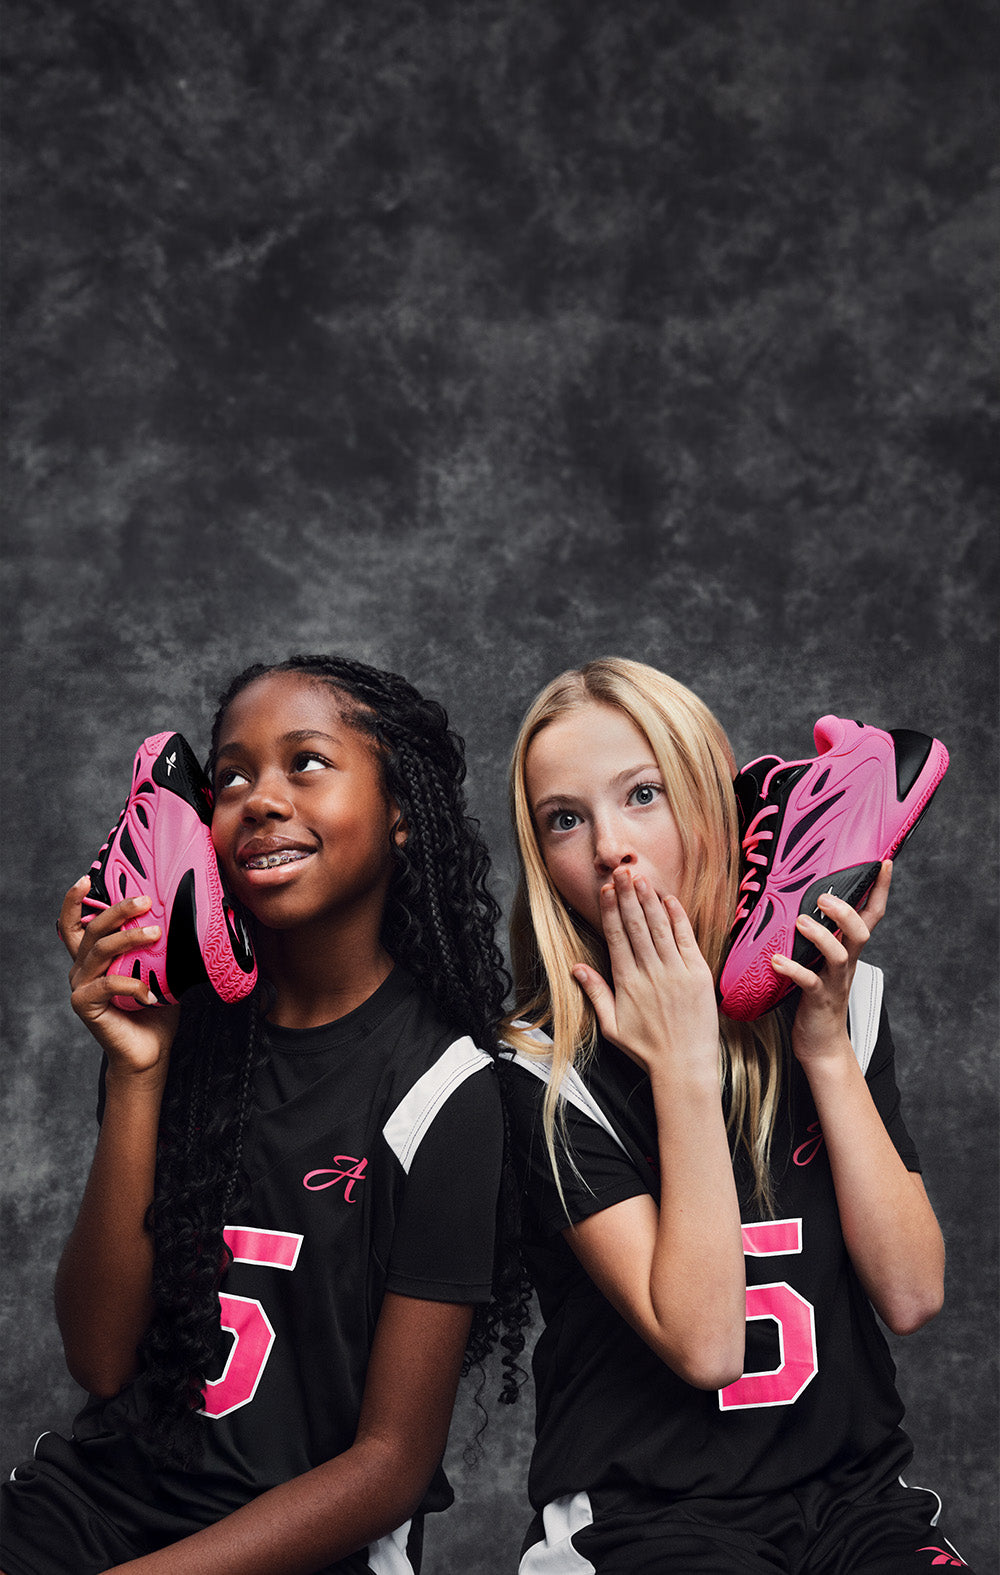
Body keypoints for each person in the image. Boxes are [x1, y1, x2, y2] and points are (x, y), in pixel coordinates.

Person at [2, 654, 528, 1575]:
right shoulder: (178, 1032)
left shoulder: (446, 1090)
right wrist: (137, 1070)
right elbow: (100, 1359)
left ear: (403, 812)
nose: (261, 797)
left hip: (295, 1548)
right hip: (95, 1508)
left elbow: (391, 1465)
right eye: (233, 775)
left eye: (307, 763)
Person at [500, 657, 971, 1574]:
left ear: (716, 804)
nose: (608, 846)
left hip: (852, 1501)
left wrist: (826, 1047)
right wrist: (682, 1065)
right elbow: (709, 1344)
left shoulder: (840, 1002)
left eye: (644, 794)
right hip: (645, 1518)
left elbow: (913, 1293)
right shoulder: (541, 1069)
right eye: (567, 818)